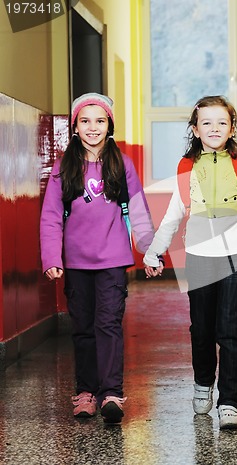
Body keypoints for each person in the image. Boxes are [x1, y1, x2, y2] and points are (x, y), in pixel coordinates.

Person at [143, 95, 237, 429]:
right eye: (207, 122)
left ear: (232, 128)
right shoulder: (186, 167)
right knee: (201, 329)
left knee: (230, 331)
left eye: (222, 122)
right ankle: (203, 383)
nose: (214, 128)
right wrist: (154, 251)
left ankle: (230, 403)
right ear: (195, 129)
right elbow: (174, 214)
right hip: (199, 257)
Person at [40, 92, 156, 424]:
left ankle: (111, 394)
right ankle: (86, 391)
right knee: (83, 328)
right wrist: (52, 255)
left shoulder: (122, 164)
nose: (93, 127)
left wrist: (149, 251)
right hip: (76, 263)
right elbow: (51, 215)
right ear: (75, 126)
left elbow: (138, 211)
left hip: (113, 261)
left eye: (100, 121)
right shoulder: (65, 166)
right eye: (85, 121)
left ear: (109, 126)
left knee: (108, 325)